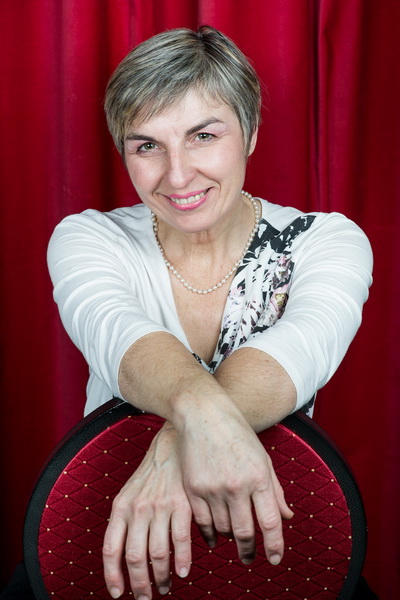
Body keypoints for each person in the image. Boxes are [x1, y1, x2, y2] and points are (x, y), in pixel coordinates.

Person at [1, 26, 376, 600]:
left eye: (203, 135)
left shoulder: (324, 241)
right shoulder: (88, 239)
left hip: (278, 537)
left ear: (249, 133)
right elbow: (123, 340)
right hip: (117, 526)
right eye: (146, 144)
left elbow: (300, 351)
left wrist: (172, 446)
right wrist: (196, 421)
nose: (177, 176)